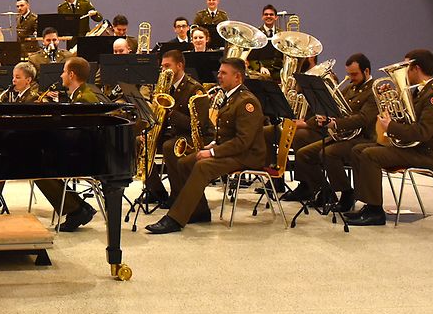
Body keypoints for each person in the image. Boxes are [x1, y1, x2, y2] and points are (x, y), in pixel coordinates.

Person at [145, 58, 267, 233]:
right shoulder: (231, 97)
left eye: (224, 73)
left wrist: (212, 153)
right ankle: (199, 211)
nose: (219, 76)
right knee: (184, 163)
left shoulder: (247, 102)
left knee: (203, 166)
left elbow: (243, 142)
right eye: (219, 72)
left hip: (248, 155)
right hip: (233, 151)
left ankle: (175, 219)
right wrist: (211, 145)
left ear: (238, 77)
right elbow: (227, 133)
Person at [344, 49, 433, 227]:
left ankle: (375, 211)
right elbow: (406, 121)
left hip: (426, 153)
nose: (404, 72)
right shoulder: (417, 92)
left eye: (405, 67)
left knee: (370, 154)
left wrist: (391, 126)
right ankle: (367, 204)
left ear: (416, 68)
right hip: (413, 147)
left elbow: (423, 132)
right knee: (357, 150)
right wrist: (387, 103)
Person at [290, 53, 378, 212]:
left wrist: (336, 123)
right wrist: (322, 117)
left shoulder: (374, 91)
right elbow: (333, 108)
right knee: (304, 154)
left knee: (329, 153)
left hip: (363, 139)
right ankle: (324, 191)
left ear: (366, 71)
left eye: (354, 74)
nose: (351, 78)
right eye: (349, 74)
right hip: (344, 137)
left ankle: (346, 193)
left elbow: (363, 119)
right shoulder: (350, 88)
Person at [34, 57, 102, 230]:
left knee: (35, 167)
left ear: (71, 75)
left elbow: (76, 137)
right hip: (81, 151)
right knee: (39, 160)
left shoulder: (83, 99)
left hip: (85, 157)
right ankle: (80, 207)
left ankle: (76, 210)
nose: (61, 75)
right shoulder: (81, 94)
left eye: (64, 71)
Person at [0, 62, 42, 214]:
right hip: (13, 142)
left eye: (18, 77)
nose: (13, 80)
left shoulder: (33, 98)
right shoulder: (14, 94)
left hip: (25, 145)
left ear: (28, 80)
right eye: (13, 77)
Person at [150, 50, 209, 208]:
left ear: (180, 66)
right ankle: (157, 192)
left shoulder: (195, 89)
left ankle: (177, 196)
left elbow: (199, 125)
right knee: (139, 143)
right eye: (162, 67)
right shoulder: (164, 87)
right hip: (172, 133)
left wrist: (172, 113)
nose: (164, 70)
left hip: (191, 136)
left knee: (169, 147)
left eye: (167, 66)